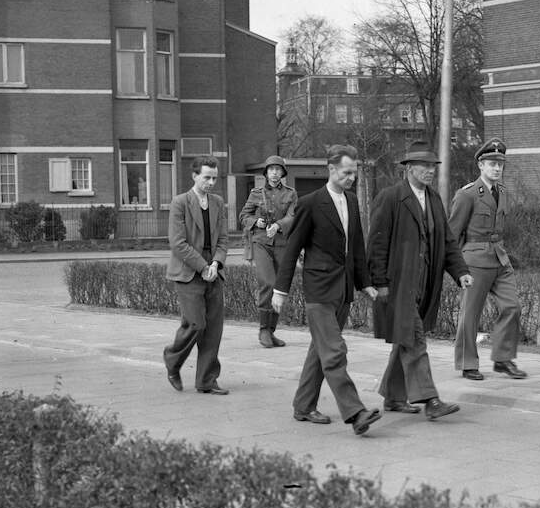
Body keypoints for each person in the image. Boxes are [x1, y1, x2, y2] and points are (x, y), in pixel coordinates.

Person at [271, 144, 382, 436]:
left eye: (354, 173)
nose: (351, 178)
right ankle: (355, 412)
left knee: (320, 351)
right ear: (331, 170)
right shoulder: (309, 203)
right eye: (346, 172)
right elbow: (292, 248)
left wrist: (365, 282)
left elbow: (356, 245)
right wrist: (280, 290)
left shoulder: (354, 201)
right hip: (318, 290)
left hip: (343, 289)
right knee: (334, 351)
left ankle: (303, 406)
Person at [368, 142, 472, 421]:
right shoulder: (390, 198)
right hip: (398, 284)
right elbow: (376, 244)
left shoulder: (435, 199)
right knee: (414, 338)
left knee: (405, 338)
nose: (430, 171)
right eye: (424, 166)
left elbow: (448, 241)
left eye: (433, 167)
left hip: (425, 284)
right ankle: (430, 399)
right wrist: (380, 283)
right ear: (408, 169)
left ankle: (393, 396)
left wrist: (460, 270)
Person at [448, 138, 527, 381]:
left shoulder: (502, 192)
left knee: (512, 306)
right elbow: (452, 235)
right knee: (470, 314)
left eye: (500, 164)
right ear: (480, 165)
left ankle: (503, 359)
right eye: (492, 164)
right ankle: (467, 362)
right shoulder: (467, 195)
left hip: (499, 258)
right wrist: (458, 268)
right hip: (474, 260)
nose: (497, 169)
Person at [163, 155, 230, 394]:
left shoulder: (218, 203)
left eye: (214, 178)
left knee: (213, 328)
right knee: (195, 323)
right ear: (194, 176)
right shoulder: (180, 202)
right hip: (189, 272)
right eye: (206, 178)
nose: (211, 182)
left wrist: (216, 264)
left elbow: (223, 239)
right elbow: (178, 243)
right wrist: (203, 267)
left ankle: (206, 380)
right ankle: (173, 360)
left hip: (213, 270)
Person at [239, 155, 297, 348]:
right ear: (266, 173)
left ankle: (271, 332)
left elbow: (293, 216)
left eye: (277, 169)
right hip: (261, 243)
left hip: (282, 244)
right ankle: (263, 329)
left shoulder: (290, 194)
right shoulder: (256, 193)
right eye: (271, 169)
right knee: (268, 282)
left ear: (282, 173)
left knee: (279, 287)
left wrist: (278, 225)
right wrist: (257, 222)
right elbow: (243, 216)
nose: (274, 173)